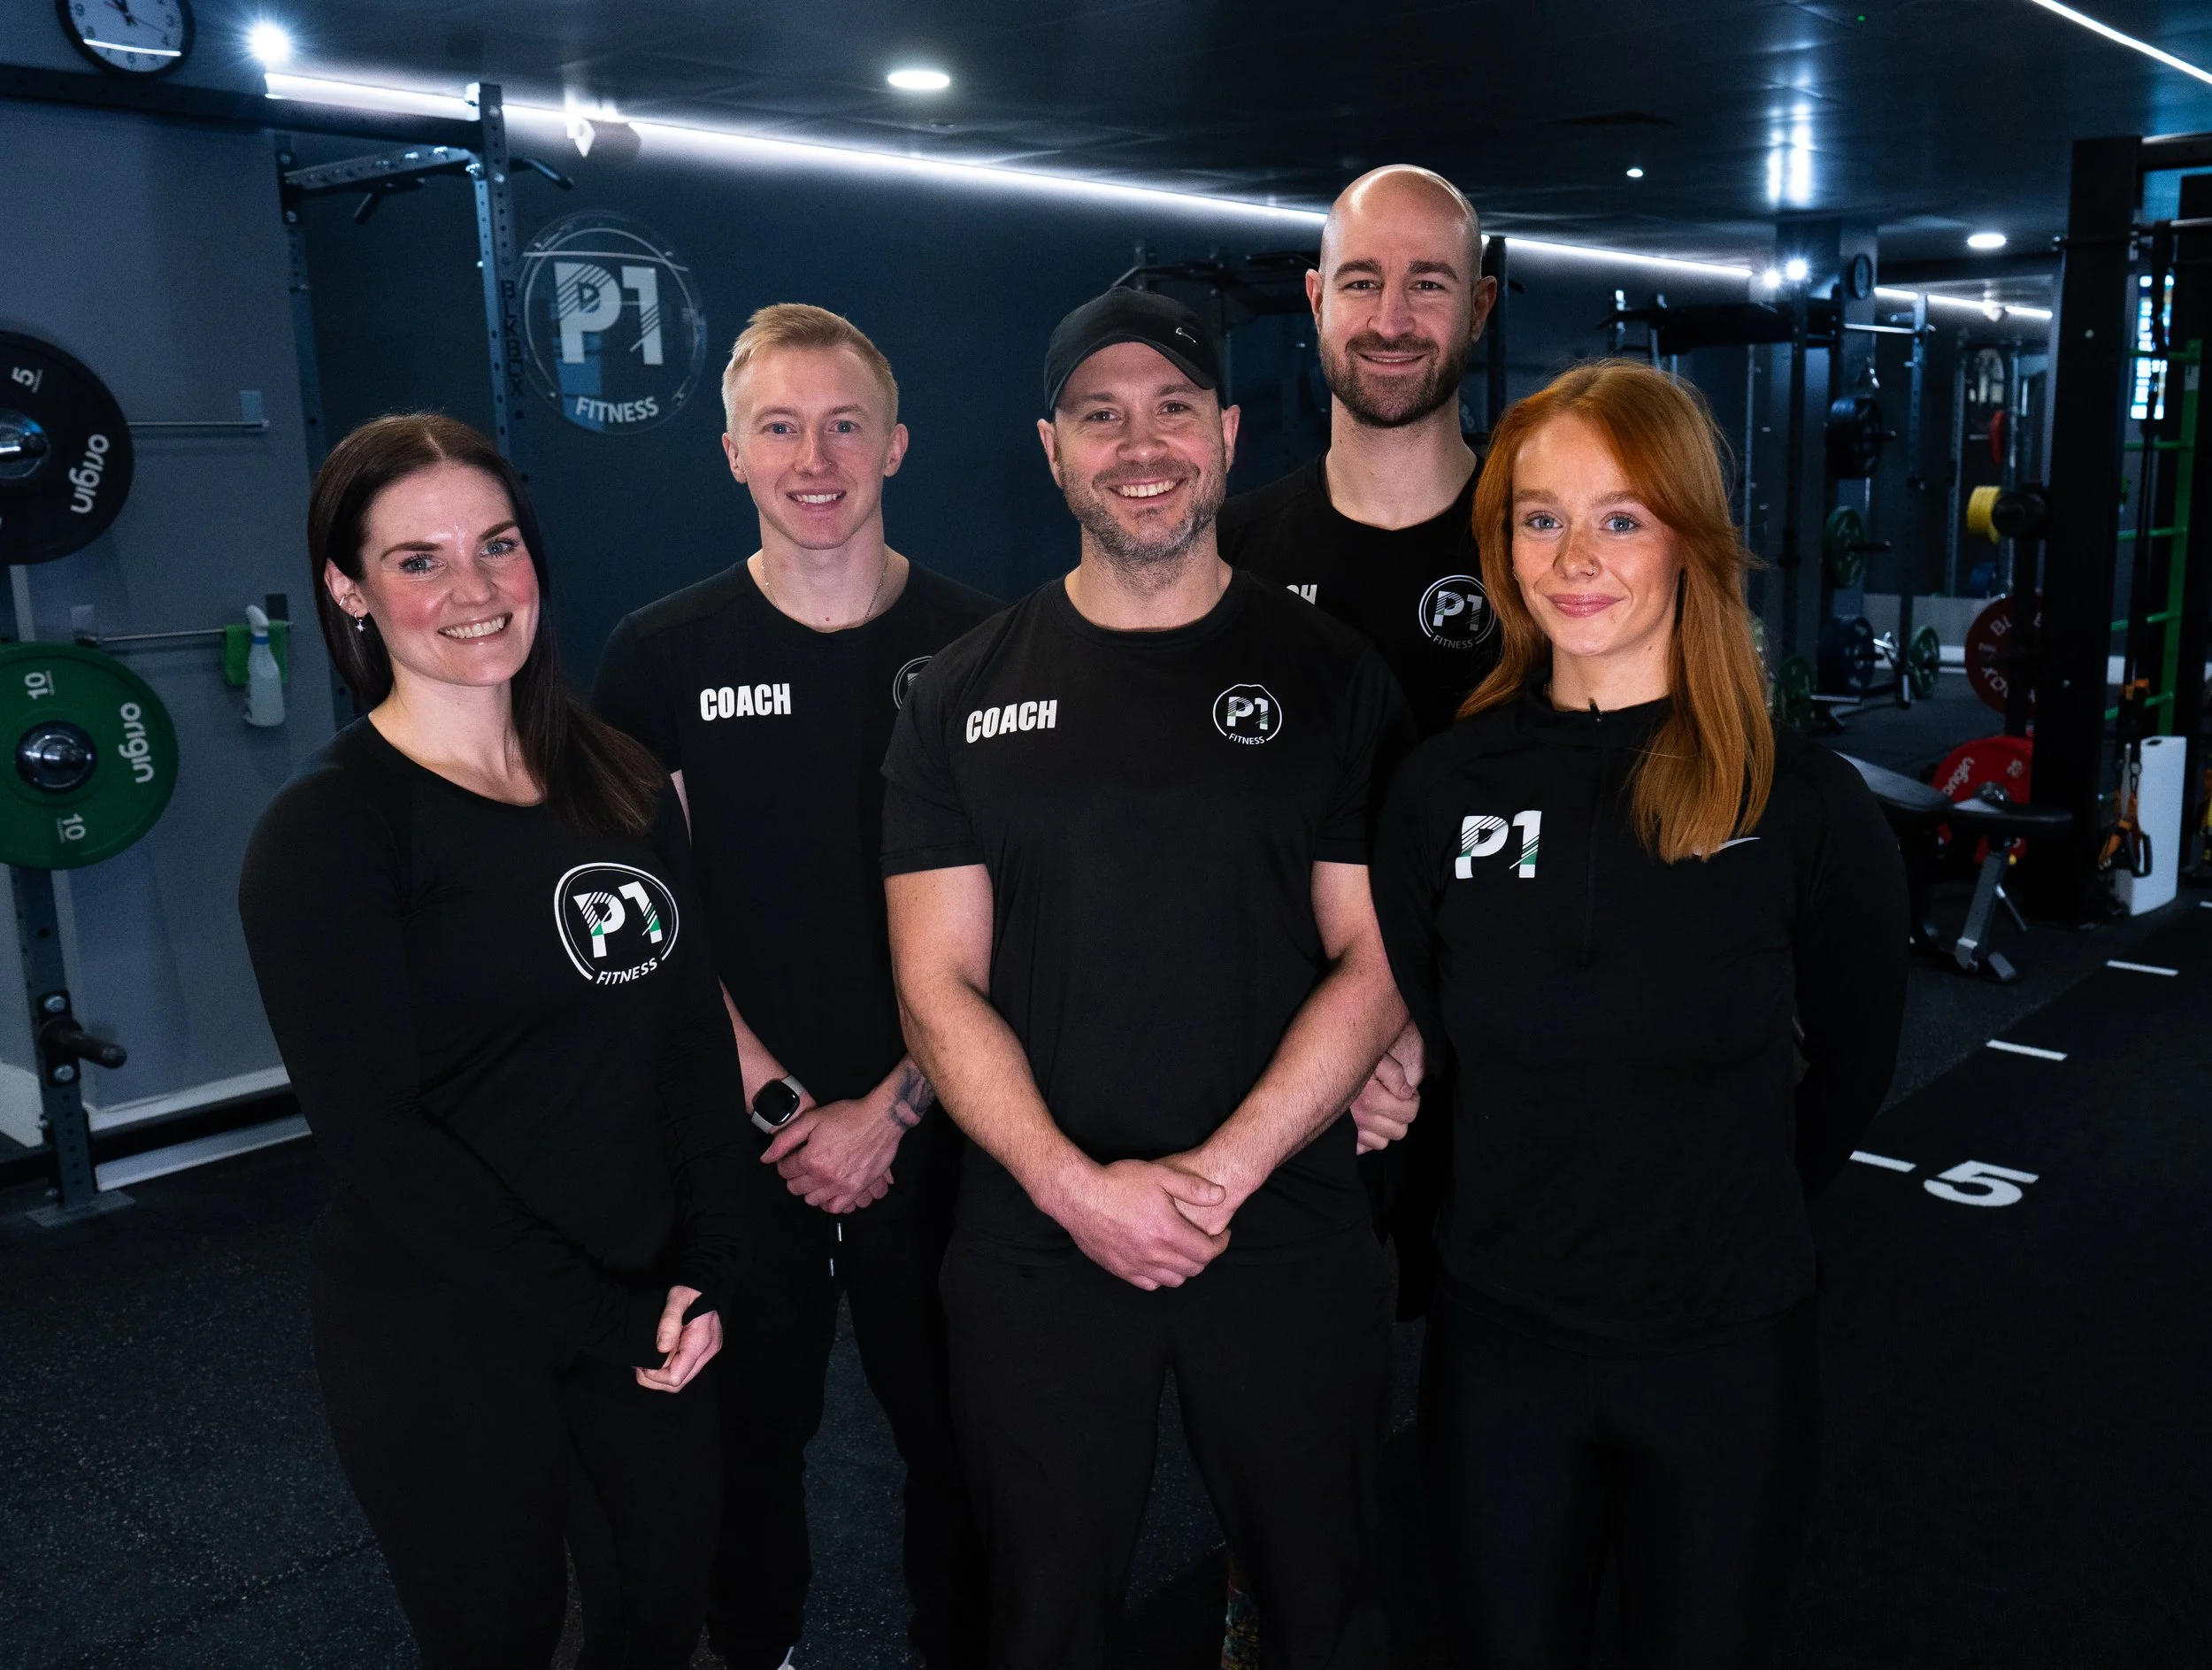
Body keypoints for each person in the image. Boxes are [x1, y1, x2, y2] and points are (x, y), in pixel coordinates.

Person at [882, 287, 1415, 1670]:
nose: (1142, 442)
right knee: (1044, 1624)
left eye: (1174, 406)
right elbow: (936, 988)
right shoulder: (956, 694)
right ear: (1050, 449)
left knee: (1327, 1609)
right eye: (1099, 414)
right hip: (1040, 1242)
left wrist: (1218, 1178)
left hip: (1283, 1223)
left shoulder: (1333, 677)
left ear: (1230, 434)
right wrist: (1078, 1193)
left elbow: (1377, 951)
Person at [1371, 359, 1909, 1666]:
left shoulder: (1802, 804)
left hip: (1723, 1353)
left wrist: (1718, 1224)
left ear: (1689, 534)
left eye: (1620, 516)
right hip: (1502, 1346)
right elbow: (1433, 1040)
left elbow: (1850, 1067)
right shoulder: (1444, 788)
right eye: (1539, 515)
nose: (1574, 556)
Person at [237, 413, 748, 1670]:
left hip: (642, 1300)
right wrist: (613, 1311)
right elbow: (379, 1138)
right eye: (418, 560)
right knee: (505, 1640)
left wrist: (710, 1272)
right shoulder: (330, 834)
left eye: (498, 544)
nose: (473, 589)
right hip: (446, 1327)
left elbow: (687, 1044)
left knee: (660, 1617)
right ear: (349, 592)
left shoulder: (621, 779)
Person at [593, 304, 994, 1670]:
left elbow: (1019, 915)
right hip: (742, 1134)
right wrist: (781, 1106)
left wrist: (895, 1104)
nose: (815, 457)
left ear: (897, 443)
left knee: (963, 1434)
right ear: (730, 451)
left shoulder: (989, 646)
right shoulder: (660, 656)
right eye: (780, 426)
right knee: (743, 1446)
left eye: (843, 424)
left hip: (939, 1124)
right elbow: (654, 924)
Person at [1220, 164, 1503, 1315]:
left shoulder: (1547, 547)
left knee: (1493, 1452)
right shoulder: (1226, 553)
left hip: (1500, 1071)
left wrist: (1418, 1028)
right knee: (1301, 1459)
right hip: (1286, 1072)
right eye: (1363, 283)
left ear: (1480, 305)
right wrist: (1346, 1051)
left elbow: (1565, 825)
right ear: (1315, 297)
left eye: (1428, 284)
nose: (1392, 320)